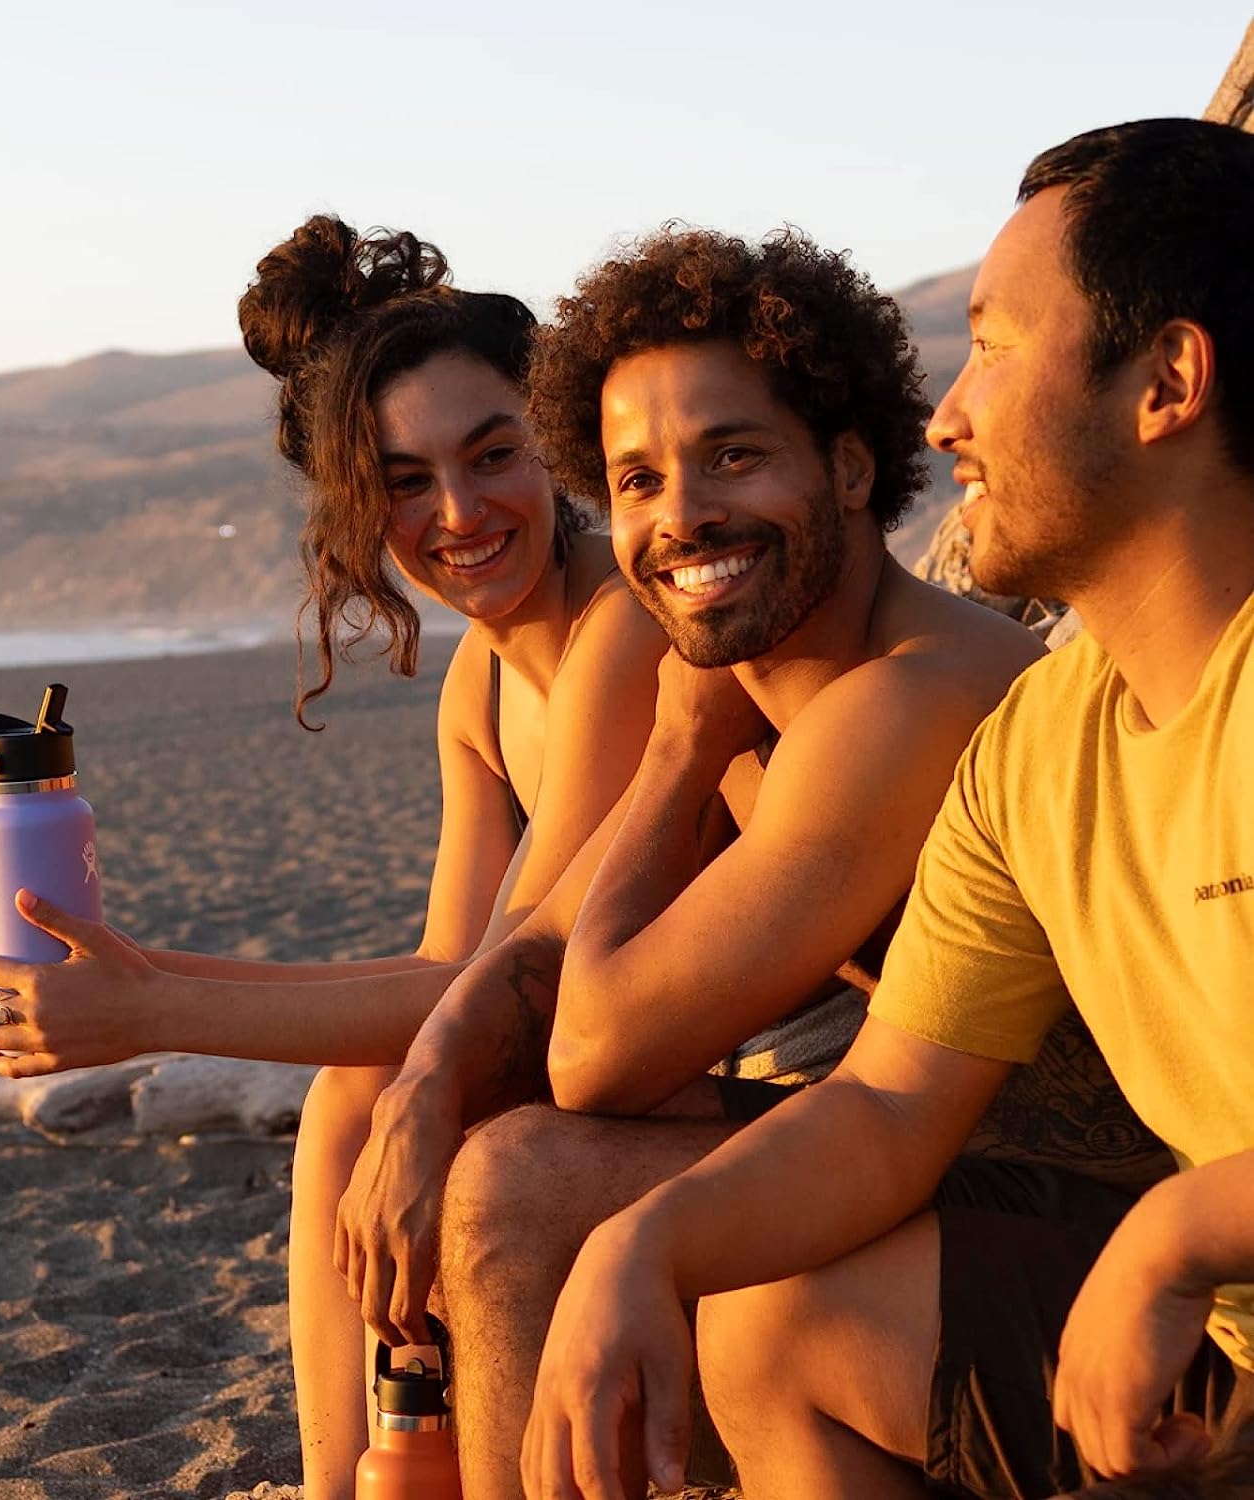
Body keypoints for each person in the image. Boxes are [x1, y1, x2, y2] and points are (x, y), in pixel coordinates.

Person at [334, 226, 1163, 1500]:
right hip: (947, 1158)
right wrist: (428, 1075)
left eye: (731, 456)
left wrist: (677, 748)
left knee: (520, 1178)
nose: (682, 516)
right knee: (490, 1134)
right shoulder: (765, 677)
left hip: (1098, 1207)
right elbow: (547, 944)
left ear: (846, 466)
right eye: (639, 480)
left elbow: (597, 1043)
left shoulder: (909, 696)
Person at [522, 117, 1254, 1500]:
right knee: (773, 1319)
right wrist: (650, 1245)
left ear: (1167, 381)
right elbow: (887, 1104)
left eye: (995, 344)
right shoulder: (1042, 740)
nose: (947, 413)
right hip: (1218, 1348)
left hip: (1187, 1279)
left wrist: (1174, 1236)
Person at [0, 215, 667, 1500]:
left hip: (722, 1075)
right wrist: (121, 977)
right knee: (354, 1088)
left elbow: (511, 985)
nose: (456, 512)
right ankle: (340, 1477)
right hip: (598, 1061)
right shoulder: (480, 691)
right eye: (402, 480)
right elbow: (449, 972)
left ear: (555, 441)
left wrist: (150, 1011)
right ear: (356, 503)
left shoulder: (624, 629)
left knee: (360, 1095)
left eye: (492, 454)